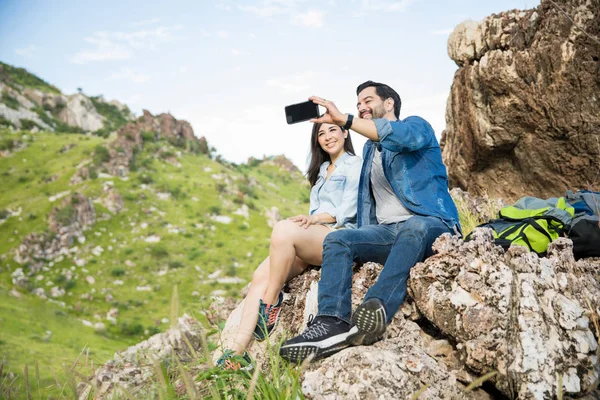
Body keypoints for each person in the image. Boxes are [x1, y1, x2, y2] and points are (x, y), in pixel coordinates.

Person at [279, 81, 461, 363]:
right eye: (358, 104)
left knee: (414, 226)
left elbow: (396, 136)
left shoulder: (417, 127)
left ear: (389, 103)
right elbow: (366, 204)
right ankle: (331, 322)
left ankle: (373, 311)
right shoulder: (369, 151)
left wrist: (346, 120)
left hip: (432, 223)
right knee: (338, 240)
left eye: (368, 100)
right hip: (389, 233)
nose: (362, 107)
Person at [216, 121, 362, 370]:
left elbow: (348, 210)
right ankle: (236, 353)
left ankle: (271, 301)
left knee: (284, 227)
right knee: (260, 275)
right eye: (321, 133)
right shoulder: (322, 170)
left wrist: (313, 219)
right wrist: (311, 221)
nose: (327, 137)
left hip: (341, 238)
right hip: (316, 239)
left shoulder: (355, 164)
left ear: (345, 132)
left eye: (332, 130)